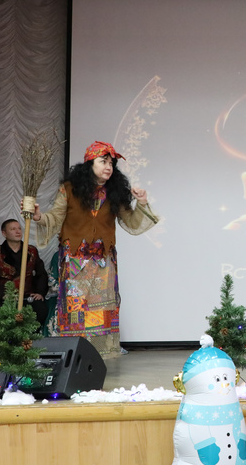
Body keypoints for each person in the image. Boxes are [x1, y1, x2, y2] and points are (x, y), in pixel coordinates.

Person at [29, 140, 159, 359]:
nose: (108, 167)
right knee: (75, 309)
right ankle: (74, 353)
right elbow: (55, 217)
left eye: (111, 163)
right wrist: (39, 217)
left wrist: (143, 203)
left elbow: (131, 222)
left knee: (101, 310)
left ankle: (98, 355)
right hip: (75, 261)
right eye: (103, 161)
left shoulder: (115, 191)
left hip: (103, 262)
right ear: (90, 164)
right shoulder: (68, 189)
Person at [0, 218, 50, 328]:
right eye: (13, 229)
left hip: (28, 297)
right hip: (5, 298)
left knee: (40, 310)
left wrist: (40, 292)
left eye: (19, 228)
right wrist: (2, 295)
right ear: (4, 233)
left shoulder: (31, 251)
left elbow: (41, 274)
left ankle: (30, 338)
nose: (18, 231)